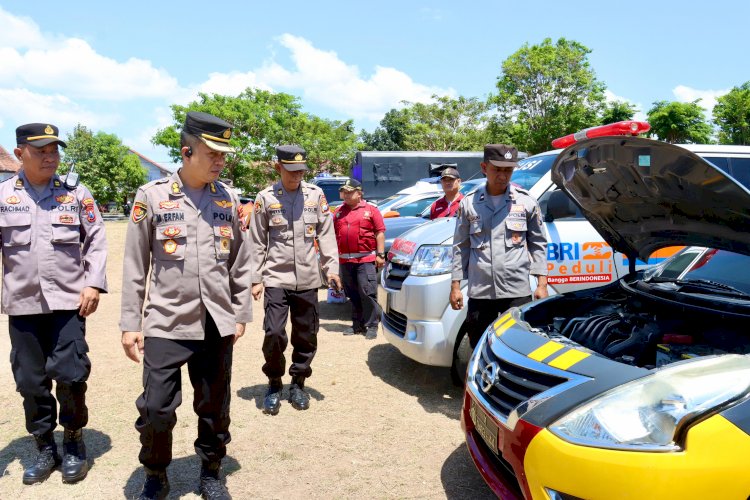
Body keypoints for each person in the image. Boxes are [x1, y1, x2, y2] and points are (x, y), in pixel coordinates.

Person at [120, 111, 252, 500]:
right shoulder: (153, 196)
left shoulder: (226, 198)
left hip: (215, 321)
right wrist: (131, 323)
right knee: (157, 407)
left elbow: (240, 262)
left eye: (223, 155)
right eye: (212, 154)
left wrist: (240, 313)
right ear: (186, 151)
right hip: (166, 320)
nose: (220, 161)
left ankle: (211, 470)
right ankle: (156, 472)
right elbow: (134, 264)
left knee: (214, 406)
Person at [2, 123, 107, 485]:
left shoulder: (76, 194)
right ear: (20, 154)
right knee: (30, 381)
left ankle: (74, 440)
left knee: (72, 374)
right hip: (22, 305)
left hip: (68, 304)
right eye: (41, 151)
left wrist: (93, 282)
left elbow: (96, 239)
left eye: (54, 150)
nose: (50, 157)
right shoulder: (3, 197)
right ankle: (45, 446)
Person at [249, 145, 341, 415]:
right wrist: (256, 278)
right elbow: (256, 241)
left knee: (306, 334)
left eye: (301, 171)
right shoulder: (265, 198)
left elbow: (326, 234)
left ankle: (298, 383)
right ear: (278, 167)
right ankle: (274, 382)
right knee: (274, 333)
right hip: (276, 277)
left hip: (308, 279)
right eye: (291, 171)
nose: (296, 176)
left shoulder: (316, 195)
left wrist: (331, 269)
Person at [450, 144, 548, 348]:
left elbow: (538, 244)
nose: (503, 176)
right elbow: (461, 246)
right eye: (497, 170)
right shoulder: (469, 203)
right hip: (480, 291)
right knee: (478, 345)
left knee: (519, 346)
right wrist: (455, 286)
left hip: (516, 291)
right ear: (484, 167)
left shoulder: (526, 202)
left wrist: (541, 284)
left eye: (508, 170)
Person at [333, 179, 386, 339]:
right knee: (352, 293)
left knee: (367, 291)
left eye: (350, 192)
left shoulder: (371, 210)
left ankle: (372, 325)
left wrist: (381, 254)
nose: (347, 195)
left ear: (359, 192)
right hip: (345, 261)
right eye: (345, 192)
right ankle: (357, 325)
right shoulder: (339, 212)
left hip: (365, 258)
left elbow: (379, 232)